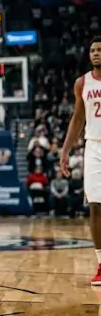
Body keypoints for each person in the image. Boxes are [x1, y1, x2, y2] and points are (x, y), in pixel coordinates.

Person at [60, 36, 101, 286]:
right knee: (95, 205)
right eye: (93, 50)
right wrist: (65, 150)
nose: (96, 53)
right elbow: (78, 119)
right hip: (94, 146)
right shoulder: (81, 83)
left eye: (100, 50)